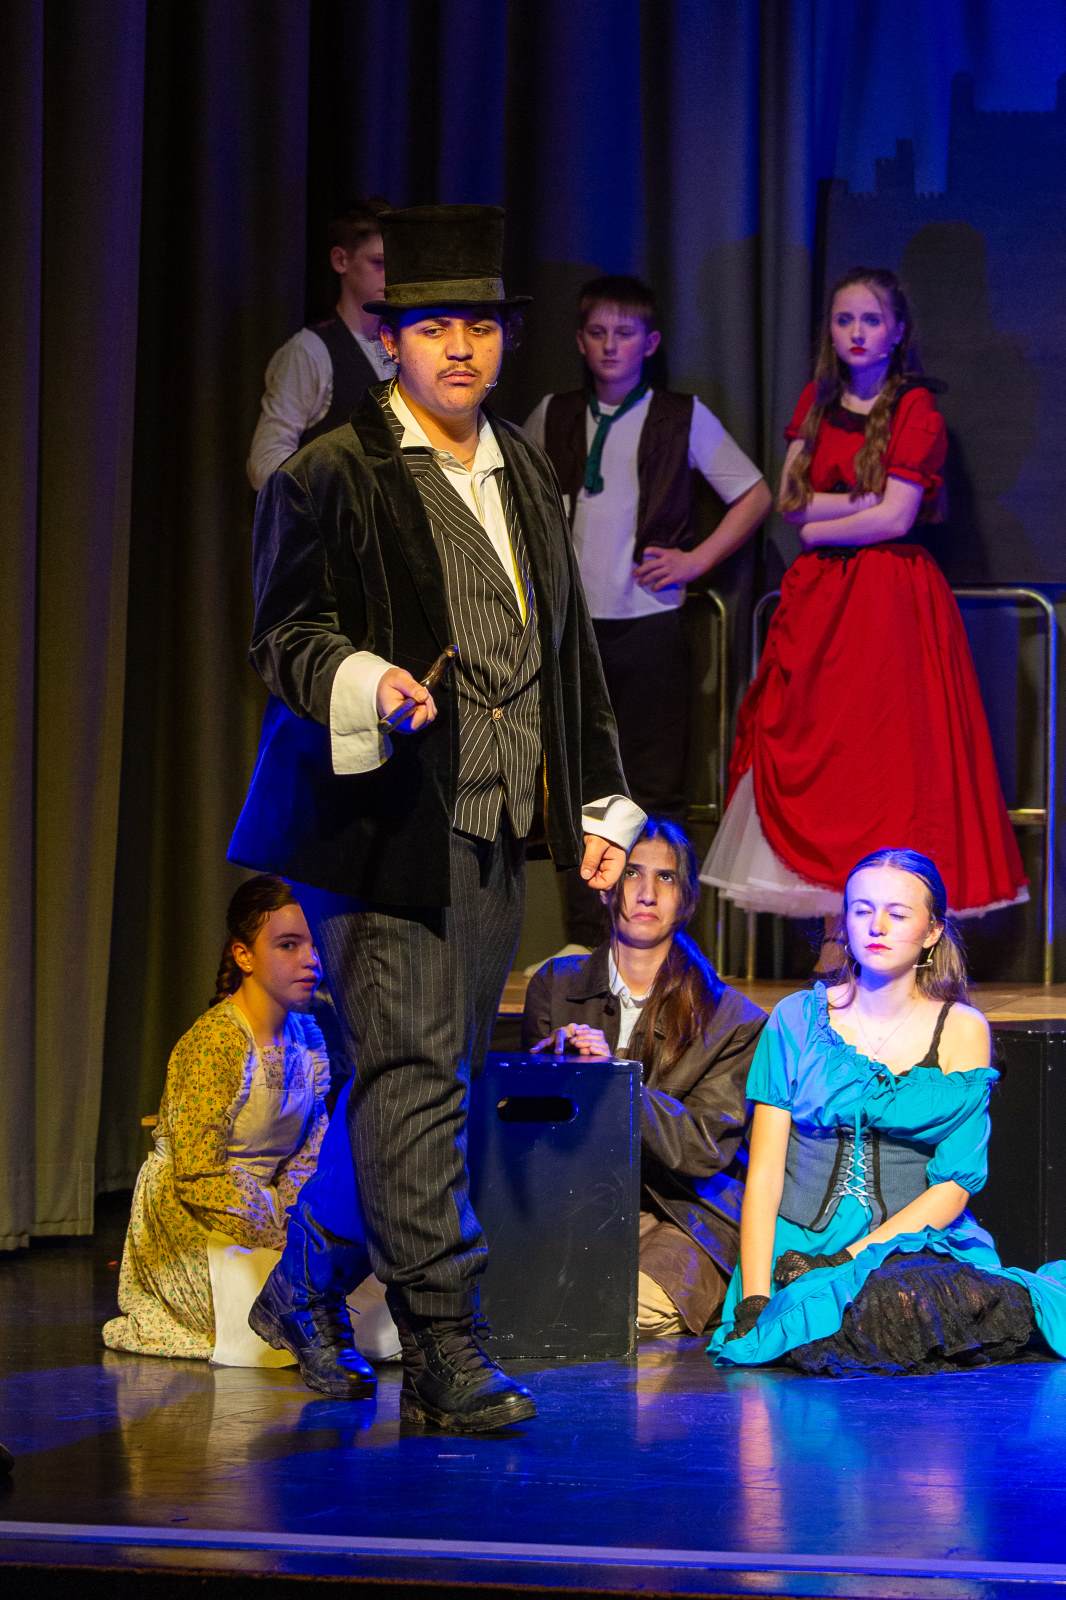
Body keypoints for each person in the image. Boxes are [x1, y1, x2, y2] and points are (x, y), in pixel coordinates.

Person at [229, 205, 644, 1432]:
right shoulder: (331, 471)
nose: (459, 348)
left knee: (426, 1085)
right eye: (431, 327)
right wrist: (368, 680)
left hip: (488, 821)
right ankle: (445, 1346)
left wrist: (596, 799)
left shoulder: (522, 464)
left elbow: (566, 655)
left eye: (479, 326)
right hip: (376, 824)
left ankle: (304, 1285)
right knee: (413, 1079)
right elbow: (284, 637)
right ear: (391, 340)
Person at [701, 267, 1026, 925]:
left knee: (886, 756)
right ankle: (834, 928)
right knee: (826, 753)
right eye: (844, 319)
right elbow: (792, 500)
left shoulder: (915, 409)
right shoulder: (817, 403)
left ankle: (896, 925)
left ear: (897, 331)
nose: (856, 332)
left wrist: (822, 526)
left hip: (887, 600)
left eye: (871, 320)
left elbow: (895, 518)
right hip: (821, 603)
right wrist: (852, 508)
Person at [710, 848, 1066, 1374]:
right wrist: (755, 1296)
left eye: (897, 913)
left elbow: (954, 1184)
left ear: (932, 931)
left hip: (910, 1243)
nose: (877, 926)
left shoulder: (960, 1028)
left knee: (905, 1302)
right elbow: (764, 1172)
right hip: (796, 1244)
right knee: (815, 1318)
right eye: (862, 910)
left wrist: (848, 1259)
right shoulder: (796, 1018)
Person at [525, 275, 771, 948]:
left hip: (651, 623)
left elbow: (753, 494)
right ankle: (585, 936)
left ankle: (658, 933)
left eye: (625, 333)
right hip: (574, 634)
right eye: (597, 333)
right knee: (579, 786)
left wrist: (696, 560)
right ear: (579, 341)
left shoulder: (678, 416)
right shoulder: (554, 414)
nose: (611, 346)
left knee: (655, 786)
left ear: (650, 342)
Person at [522, 818, 766, 1336]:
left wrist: (615, 1078)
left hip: (682, 1215)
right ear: (607, 887)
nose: (647, 893)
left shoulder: (733, 1019)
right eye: (632, 873)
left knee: (613, 1312)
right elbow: (532, 1133)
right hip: (574, 1205)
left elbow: (701, 1150)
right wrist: (554, 1072)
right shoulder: (557, 986)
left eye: (666, 878)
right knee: (495, 1295)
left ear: (688, 899)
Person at [102, 876, 353, 1370]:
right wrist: (269, 1229)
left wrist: (292, 1223)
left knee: (356, 1303)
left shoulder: (306, 1036)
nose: (311, 960)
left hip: (270, 1213)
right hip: (197, 1217)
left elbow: (309, 1150)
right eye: (288, 945)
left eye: (314, 944)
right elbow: (198, 1172)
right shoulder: (217, 1042)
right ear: (244, 955)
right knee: (274, 1320)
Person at [247, 198, 395, 490]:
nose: (389, 275)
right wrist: (334, 491)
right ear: (341, 261)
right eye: (378, 263)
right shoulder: (310, 351)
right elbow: (264, 464)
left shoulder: (407, 349)